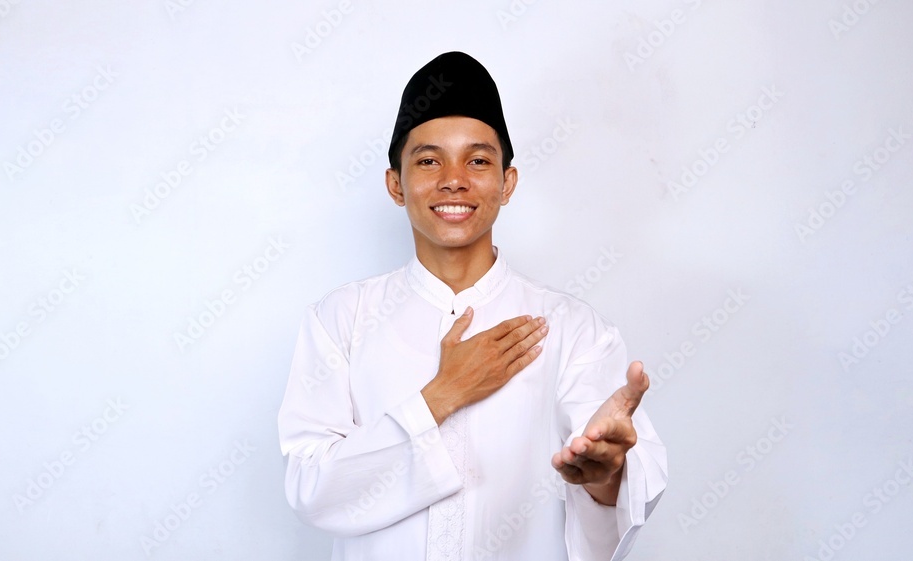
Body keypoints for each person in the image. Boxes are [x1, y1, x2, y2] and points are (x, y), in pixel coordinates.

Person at [278, 51, 667, 560]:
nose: (454, 179)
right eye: (429, 160)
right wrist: (444, 393)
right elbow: (311, 487)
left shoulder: (573, 329)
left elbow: (619, 478)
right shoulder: (339, 320)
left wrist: (607, 476)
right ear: (396, 185)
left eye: (478, 160)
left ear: (507, 183)